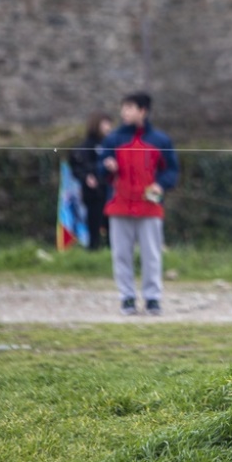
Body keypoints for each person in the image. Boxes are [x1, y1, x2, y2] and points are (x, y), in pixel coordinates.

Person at [98, 92, 179, 316]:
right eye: (123, 107)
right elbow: (99, 168)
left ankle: (153, 298)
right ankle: (127, 298)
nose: (124, 112)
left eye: (130, 107)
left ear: (143, 111)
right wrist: (107, 166)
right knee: (121, 255)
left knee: (151, 254)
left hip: (149, 206)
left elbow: (171, 170)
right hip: (119, 205)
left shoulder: (161, 140)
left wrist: (161, 185)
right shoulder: (113, 139)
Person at [69, 111, 113, 250]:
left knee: (112, 224)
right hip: (93, 193)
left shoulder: (111, 144)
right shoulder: (85, 146)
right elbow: (77, 166)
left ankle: (112, 251)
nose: (108, 128)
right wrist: (86, 176)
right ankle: (93, 250)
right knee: (94, 222)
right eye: (105, 124)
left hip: (110, 190)